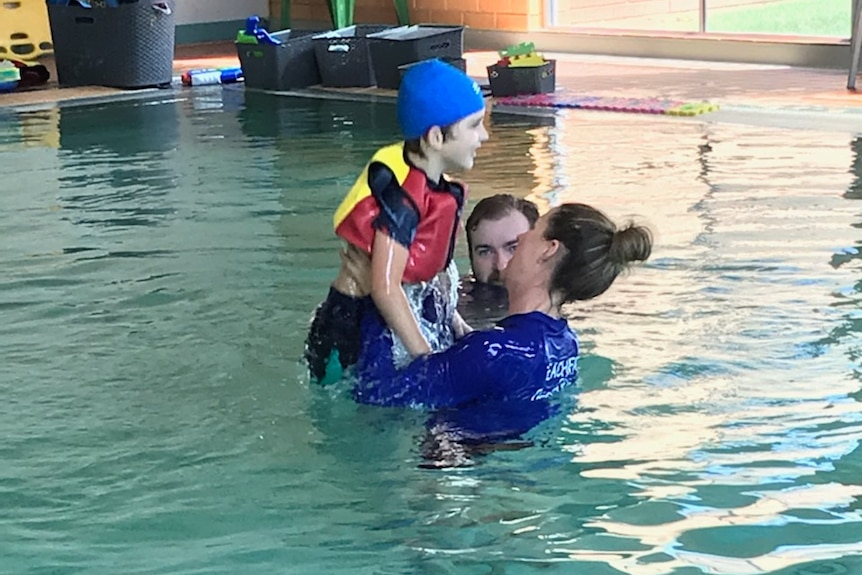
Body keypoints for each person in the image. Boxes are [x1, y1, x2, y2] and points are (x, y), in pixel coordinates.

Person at [349, 203, 653, 452]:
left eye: (532, 231)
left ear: (548, 249)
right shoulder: (564, 343)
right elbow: (483, 367)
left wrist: (371, 292)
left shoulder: (493, 351)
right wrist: (445, 310)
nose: (521, 240)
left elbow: (376, 394)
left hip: (442, 485)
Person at [304, 59, 489, 384]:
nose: (483, 135)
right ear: (435, 137)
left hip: (387, 316)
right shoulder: (401, 200)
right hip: (350, 325)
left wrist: (454, 321)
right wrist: (427, 359)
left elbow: (431, 278)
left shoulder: (433, 186)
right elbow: (386, 287)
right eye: (474, 125)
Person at [458, 194, 539, 327]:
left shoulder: (567, 301)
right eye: (485, 252)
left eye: (513, 248)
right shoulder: (452, 304)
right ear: (471, 256)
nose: (501, 265)